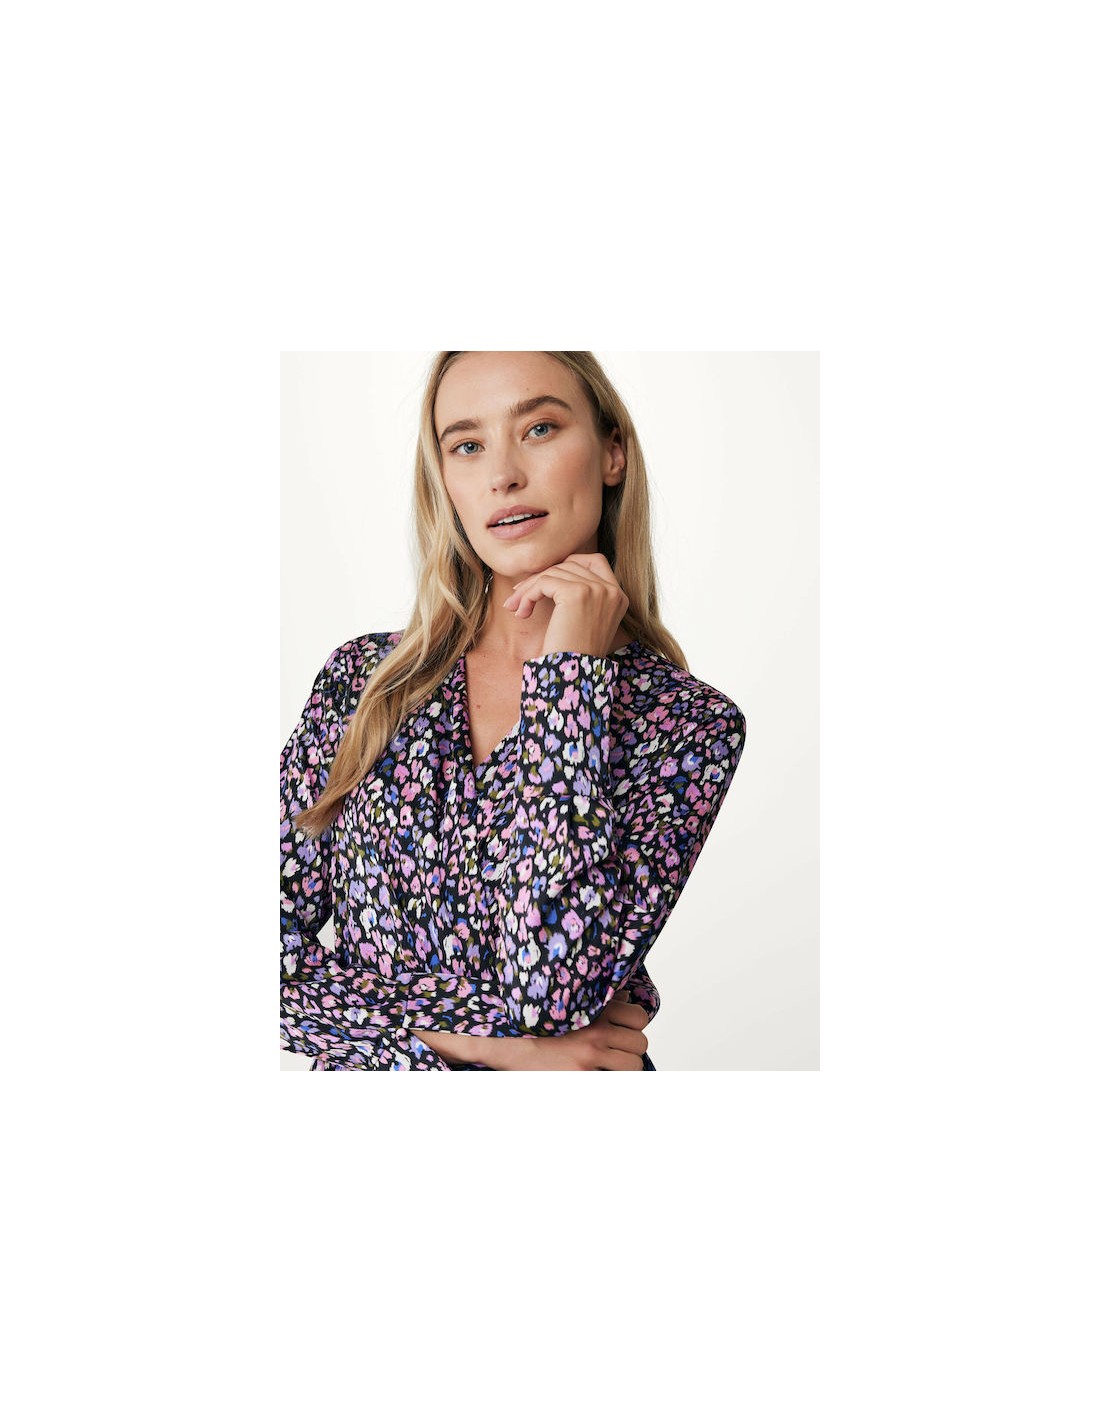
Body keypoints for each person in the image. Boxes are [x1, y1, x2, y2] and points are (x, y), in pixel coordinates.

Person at [281, 351, 748, 1069]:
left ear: (613, 452)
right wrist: (500, 1051)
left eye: (538, 429)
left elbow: (551, 991)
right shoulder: (363, 685)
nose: (502, 474)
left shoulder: (688, 726)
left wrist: (571, 680)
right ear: (445, 482)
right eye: (467, 445)